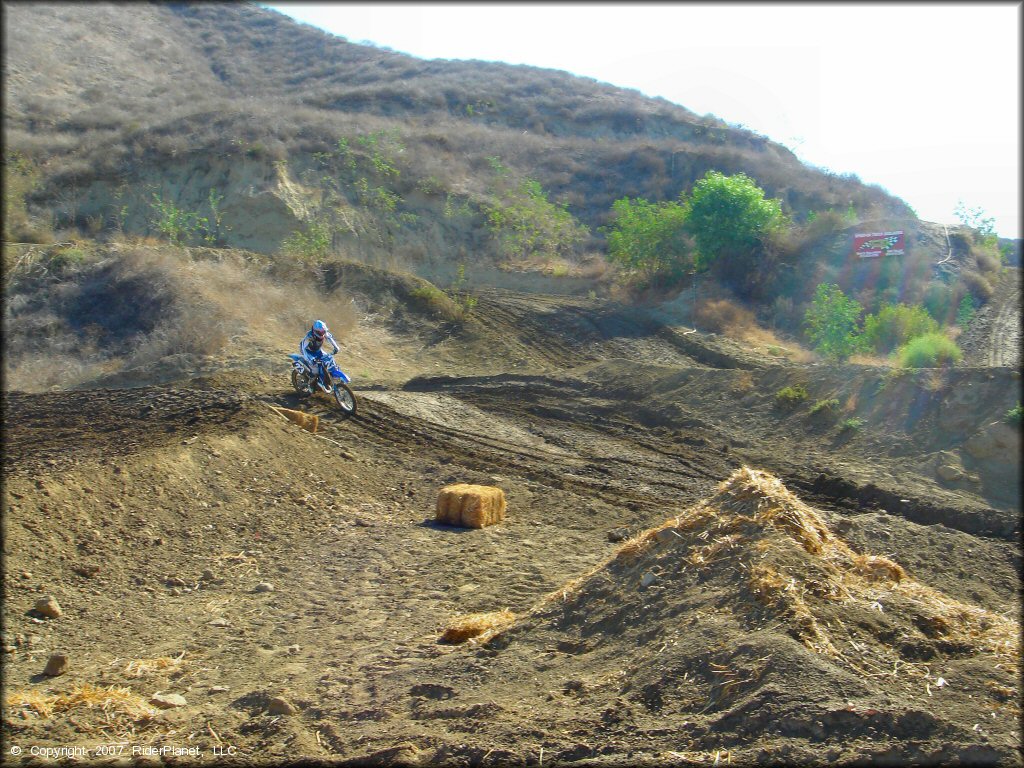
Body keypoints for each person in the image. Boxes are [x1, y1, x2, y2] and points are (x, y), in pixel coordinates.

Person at [299, 320, 340, 392]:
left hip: (317, 350)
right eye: (320, 332)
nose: (322, 333)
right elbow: (303, 348)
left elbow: (330, 338)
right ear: (315, 331)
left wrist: (336, 347)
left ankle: (328, 377)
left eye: (323, 331)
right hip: (308, 352)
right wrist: (310, 359)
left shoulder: (324, 333)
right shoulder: (309, 336)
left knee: (328, 359)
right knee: (314, 368)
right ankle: (311, 383)